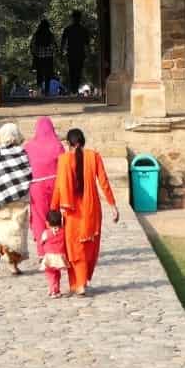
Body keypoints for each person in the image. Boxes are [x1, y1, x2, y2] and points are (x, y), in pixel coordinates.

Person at [50, 128, 119, 296]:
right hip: (91, 210)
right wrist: (113, 204)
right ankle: (81, 282)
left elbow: (59, 187)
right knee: (89, 247)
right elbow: (103, 181)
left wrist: (52, 213)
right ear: (83, 141)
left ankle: (79, 283)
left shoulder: (64, 160)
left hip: (72, 212)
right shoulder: (94, 156)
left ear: (68, 143)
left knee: (74, 249)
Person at [0, 123, 32, 276]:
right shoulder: (22, 153)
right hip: (19, 200)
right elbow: (28, 174)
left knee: (2, 230)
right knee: (17, 232)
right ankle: (12, 265)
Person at [24, 116, 64, 259]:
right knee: (55, 216)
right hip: (55, 184)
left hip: (37, 186)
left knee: (39, 218)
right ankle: (58, 246)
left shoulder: (28, 147)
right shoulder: (58, 145)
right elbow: (64, 165)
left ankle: (42, 251)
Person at [61, 11, 90, 97]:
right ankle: (75, 89)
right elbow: (87, 44)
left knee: (72, 72)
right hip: (80, 54)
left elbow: (63, 42)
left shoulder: (68, 29)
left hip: (71, 53)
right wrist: (88, 53)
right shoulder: (83, 30)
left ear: (72, 18)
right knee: (77, 72)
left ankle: (73, 89)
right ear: (80, 18)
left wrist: (61, 51)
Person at [41, 209, 69, 298]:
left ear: (47, 223)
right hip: (60, 257)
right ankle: (56, 289)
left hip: (49, 257)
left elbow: (42, 241)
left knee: (51, 275)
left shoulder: (46, 232)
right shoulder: (63, 231)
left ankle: (53, 290)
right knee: (57, 274)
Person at [30, 19, 57, 97]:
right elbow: (54, 46)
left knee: (39, 74)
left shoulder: (37, 34)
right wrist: (51, 51)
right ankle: (47, 92)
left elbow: (32, 45)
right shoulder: (50, 35)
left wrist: (34, 52)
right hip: (48, 57)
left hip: (39, 56)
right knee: (48, 75)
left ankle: (39, 90)